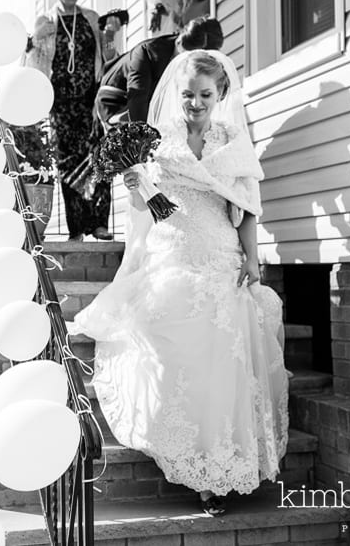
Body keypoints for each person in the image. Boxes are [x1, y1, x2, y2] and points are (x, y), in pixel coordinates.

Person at [72, 50, 288, 516]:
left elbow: (246, 207)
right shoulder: (158, 140)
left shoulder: (231, 140)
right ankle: (185, 453)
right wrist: (135, 186)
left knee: (222, 362)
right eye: (188, 94)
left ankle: (217, 472)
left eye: (205, 95)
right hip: (172, 250)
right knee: (170, 351)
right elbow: (151, 209)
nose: (194, 102)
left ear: (221, 95)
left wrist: (252, 259)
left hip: (219, 255)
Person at [24, 0, 113, 241]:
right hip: (61, 103)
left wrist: (111, 34)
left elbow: (108, 56)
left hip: (91, 100)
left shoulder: (91, 18)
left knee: (98, 157)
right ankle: (76, 229)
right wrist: (34, 44)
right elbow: (35, 66)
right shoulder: (45, 22)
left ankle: (99, 223)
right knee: (68, 162)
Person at [127, 16, 223, 123]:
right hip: (120, 105)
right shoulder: (147, 52)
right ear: (179, 42)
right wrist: (143, 135)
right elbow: (137, 99)